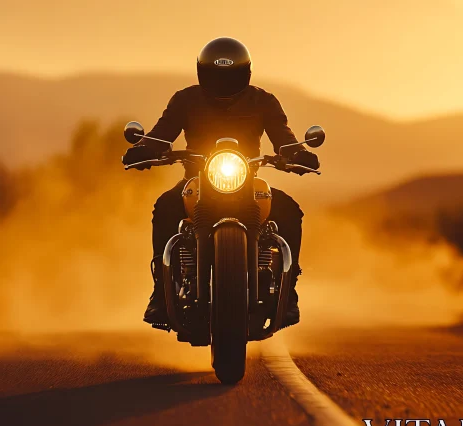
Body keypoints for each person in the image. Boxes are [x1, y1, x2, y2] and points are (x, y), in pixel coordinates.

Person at [122, 37, 320, 327]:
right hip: (196, 182)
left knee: (289, 211)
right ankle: (160, 295)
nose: (223, 83)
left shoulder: (263, 101)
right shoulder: (186, 100)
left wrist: (299, 155)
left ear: (245, 74)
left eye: (231, 76)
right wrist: (145, 150)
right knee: (165, 207)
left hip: (249, 183)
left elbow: (284, 139)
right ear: (203, 73)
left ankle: (288, 295)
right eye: (216, 76)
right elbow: (161, 134)